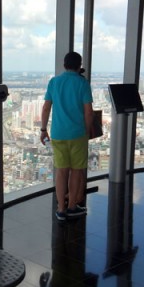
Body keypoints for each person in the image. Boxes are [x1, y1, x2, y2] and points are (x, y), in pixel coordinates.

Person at [40, 51, 94, 221]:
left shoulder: (54, 82)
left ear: (64, 65)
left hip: (58, 134)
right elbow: (88, 111)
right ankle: (72, 206)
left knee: (61, 172)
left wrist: (43, 129)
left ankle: (61, 209)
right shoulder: (82, 83)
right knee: (77, 171)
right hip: (77, 134)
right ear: (79, 66)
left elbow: (46, 108)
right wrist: (87, 130)